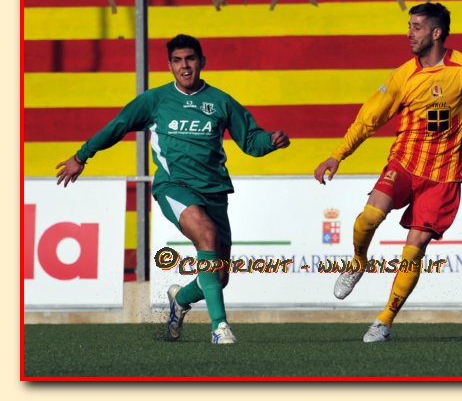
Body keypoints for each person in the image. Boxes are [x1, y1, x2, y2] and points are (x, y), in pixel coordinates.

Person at [314, 3, 462, 342]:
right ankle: (358, 261)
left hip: (444, 176)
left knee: (414, 248)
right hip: (404, 164)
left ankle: (384, 321)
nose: (409, 33)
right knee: (369, 218)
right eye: (409, 26)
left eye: (416, 27)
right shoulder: (403, 75)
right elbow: (369, 119)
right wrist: (337, 155)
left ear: (436, 32)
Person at [56, 34, 290, 344]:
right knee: (207, 235)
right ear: (169, 66)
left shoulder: (220, 101)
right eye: (178, 61)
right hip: (174, 187)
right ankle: (219, 328)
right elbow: (118, 125)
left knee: (219, 277)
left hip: (215, 191)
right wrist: (81, 156)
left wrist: (270, 141)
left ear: (201, 61)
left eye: (190, 59)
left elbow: (250, 141)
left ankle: (180, 300)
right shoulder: (155, 101)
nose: (185, 66)